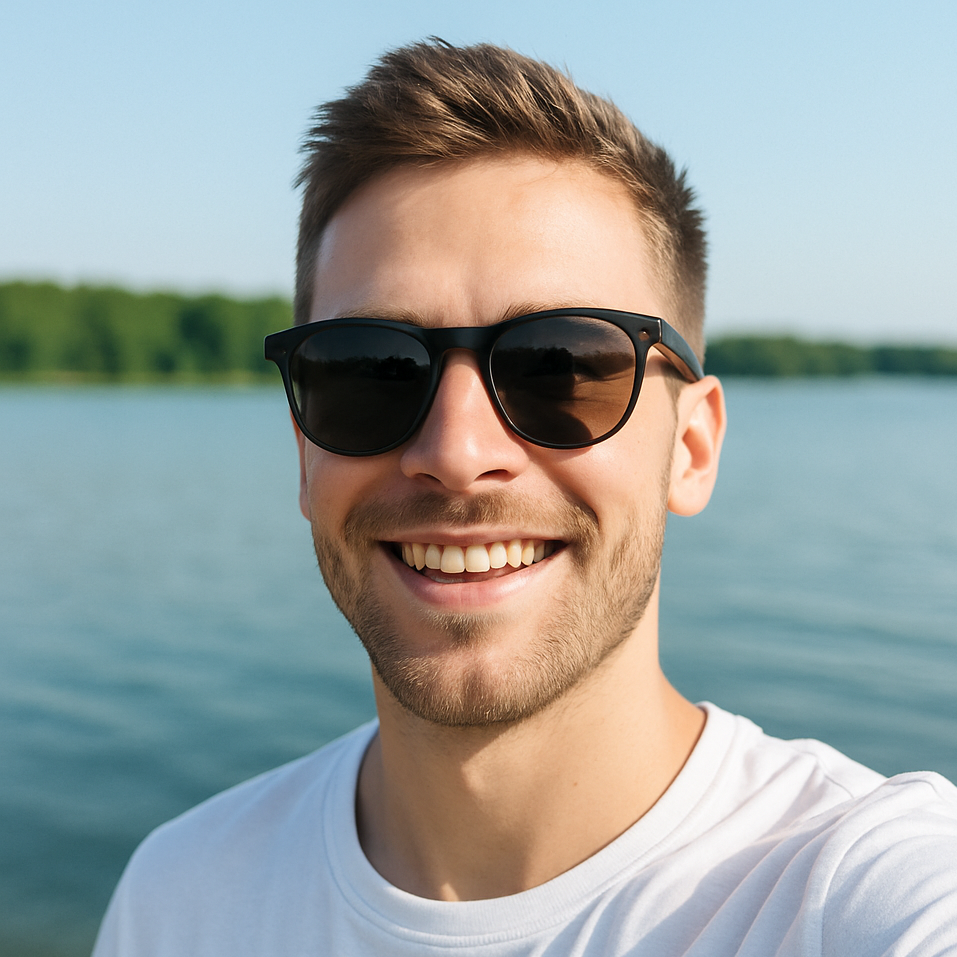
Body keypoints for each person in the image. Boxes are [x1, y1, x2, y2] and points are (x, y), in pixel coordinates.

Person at [93, 39, 957, 956]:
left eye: (560, 365)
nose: (456, 453)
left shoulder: (856, 895)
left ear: (691, 447)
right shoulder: (180, 898)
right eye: (371, 370)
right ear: (305, 450)